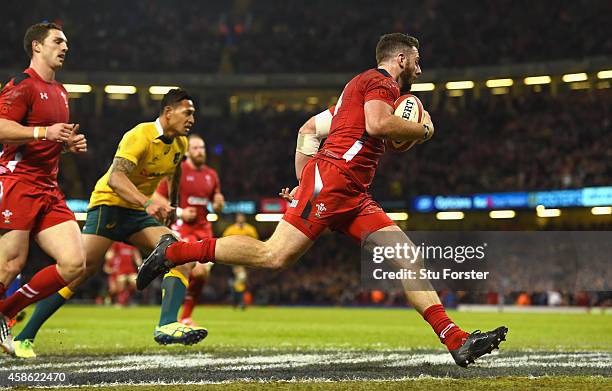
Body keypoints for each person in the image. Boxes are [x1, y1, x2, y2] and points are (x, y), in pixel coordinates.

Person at [138, 33, 507, 367]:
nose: (420, 68)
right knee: (273, 256)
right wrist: (424, 129)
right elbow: (379, 126)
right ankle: (174, 253)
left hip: (350, 192)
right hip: (334, 182)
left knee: (406, 255)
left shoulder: (354, 91)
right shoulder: (380, 83)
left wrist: (304, 184)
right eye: (416, 60)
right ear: (400, 60)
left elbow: (308, 130)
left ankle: (455, 339)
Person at [11, 89, 207, 359]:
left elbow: (175, 171)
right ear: (168, 112)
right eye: (188, 113)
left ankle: (167, 324)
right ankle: (23, 334)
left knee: (180, 254)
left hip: (137, 212)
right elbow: (116, 179)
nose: (192, 120)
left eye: (194, 114)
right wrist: (150, 203)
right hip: (109, 206)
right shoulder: (139, 135)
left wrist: (171, 203)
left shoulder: (180, 145)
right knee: (78, 271)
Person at [0, 22, 87, 355]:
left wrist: (67, 144)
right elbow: (2, 127)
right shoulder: (20, 85)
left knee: (74, 264)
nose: (64, 47)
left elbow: (50, 136)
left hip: (49, 188)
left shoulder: (62, 91)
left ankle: (6, 311)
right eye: (57, 41)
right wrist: (42, 133)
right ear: (37, 46)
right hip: (18, 181)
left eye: (66, 42)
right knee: (10, 265)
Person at [154, 134, 224, 326]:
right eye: (195, 148)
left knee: (201, 274)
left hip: (204, 230)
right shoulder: (178, 171)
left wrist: (218, 204)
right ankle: (172, 316)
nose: (200, 151)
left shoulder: (211, 175)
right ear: (187, 152)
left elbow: (216, 201)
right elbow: (157, 197)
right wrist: (182, 213)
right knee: (193, 270)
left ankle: (185, 317)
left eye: (202, 148)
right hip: (182, 228)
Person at [222, 213, 258, 310]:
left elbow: (256, 243)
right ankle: (240, 302)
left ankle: (235, 300)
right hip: (234, 257)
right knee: (241, 277)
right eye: (239, 217)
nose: (240, 219)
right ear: (236, 219)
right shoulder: (230, 230)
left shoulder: (250, 230)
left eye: (242, 217)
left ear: (244, 219)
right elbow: (223, 242)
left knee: (241, 280)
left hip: (246, 257)